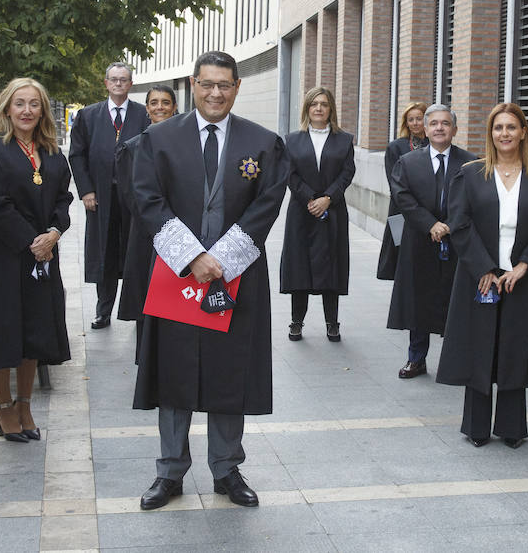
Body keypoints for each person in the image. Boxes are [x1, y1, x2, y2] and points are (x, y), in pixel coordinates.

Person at [129, 51, 287, 510]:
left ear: (236, 88)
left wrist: (222, 259)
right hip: (176, 275)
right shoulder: (158, 139)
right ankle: (169, 471)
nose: (215, 93)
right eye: (207, 84)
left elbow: (268, 203)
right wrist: (193, 256)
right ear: (192, 86)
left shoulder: (263, 143)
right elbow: (146, 198)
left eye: (224, 85)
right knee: (173, 373)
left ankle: (226, 468)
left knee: (228, 373)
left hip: (235, 278)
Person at [435, 103, 528, 448]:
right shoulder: (471, 174)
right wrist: (484, 268)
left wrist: (524, 266)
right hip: (481, 277)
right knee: (479, 349)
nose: (504, 133)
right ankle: (476, 427)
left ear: (523, 132)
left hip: (523, 278)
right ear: (491, 134)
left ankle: (511, 427)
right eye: (498, 127)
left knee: (514, 349)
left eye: (511, 127)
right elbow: (460, 224)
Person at [0, 78, 74, 442]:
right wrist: (33, 242)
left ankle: (25, 405)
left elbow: (63, 200)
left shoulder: (54, 153)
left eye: (34, 104)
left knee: (35, 332)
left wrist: (55, 234)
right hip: (5, 257)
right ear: (7, 109)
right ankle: (4, 407)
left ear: (43, 110)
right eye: (20, 104)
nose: (27, 111)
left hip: (43, 256)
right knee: (4, 333)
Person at [386, 104, 477, 378]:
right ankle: (417, 358)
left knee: (457, 301)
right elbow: (402, 197)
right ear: (425, 129)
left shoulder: (470, 163)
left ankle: (458, 360)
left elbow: (474, 200)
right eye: (434, 123)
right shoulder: (409, 162)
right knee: (419, 300)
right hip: (419, 241)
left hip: (458, 243)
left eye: (445, 123)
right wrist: (430, 224)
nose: (439, 128)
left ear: (455, 130)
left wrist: (450, 225)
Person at [69, 62, 151, 330]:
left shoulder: (142, 115)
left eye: (123, 80)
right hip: (100, 198)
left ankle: (138, 310)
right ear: (105, 83)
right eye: (113, 79)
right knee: (104, 253)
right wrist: (86, 190)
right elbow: (77, 155)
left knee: (133, 251)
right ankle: (103, 311)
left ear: (130, 84)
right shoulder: (88, 115)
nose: (118, 84)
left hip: (133, 199)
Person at [280, 87, 356, 341]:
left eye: (323, 104)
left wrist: (328, 199)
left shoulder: (344, 140)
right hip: (302, 212)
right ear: (307, 109)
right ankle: (296, 322)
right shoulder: (292, 140)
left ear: (331, 108)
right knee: (299, 266)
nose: (319, 108)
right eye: (314, 104)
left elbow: (347, 173)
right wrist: (311, 199)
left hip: (333, 211)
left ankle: (332, 323)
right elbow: (289, 174)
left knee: (331, 266)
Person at [115, 84, 179, 329]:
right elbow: (130, 196)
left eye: (165, 102)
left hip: (183, 231)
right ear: (147, 109)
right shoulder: (131, 148)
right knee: (148, 299)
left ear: (174, 108)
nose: (160, 107)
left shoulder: (187, 144)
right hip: (146, 232)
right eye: (154, 102)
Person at [377, 101, 429, 280]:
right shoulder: (395, 147)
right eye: (411, 119)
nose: (415, 123)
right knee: (399, 250)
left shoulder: (434, 144)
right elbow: (393, 181)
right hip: (399, 210)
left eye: (419, 119)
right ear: (405, 123)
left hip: (427, 209)